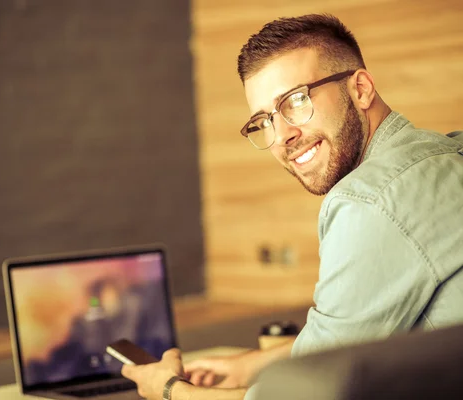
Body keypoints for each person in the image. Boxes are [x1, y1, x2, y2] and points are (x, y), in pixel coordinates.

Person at [121, 13, 463, 400]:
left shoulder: (371, 202)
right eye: (264, 121)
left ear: (361, 89)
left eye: (296, 101)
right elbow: (370, 327)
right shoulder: (445, 156)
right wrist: (251, 364)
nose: (282, 136)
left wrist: (169, 389)